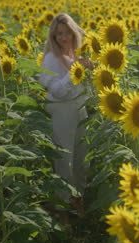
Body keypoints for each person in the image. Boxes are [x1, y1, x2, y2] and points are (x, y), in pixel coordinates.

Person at [39, 13, 93, 217]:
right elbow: (58, 91)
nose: (63, 37)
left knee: (82, 158)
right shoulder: (51, 59)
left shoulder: (71, 55)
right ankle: (62, 209)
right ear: (53, 36)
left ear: (73, 33)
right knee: (64, 160)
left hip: (78, 109)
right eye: (58, 34)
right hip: (62, 111)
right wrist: (76, 71)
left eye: (67, 33)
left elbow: (79, 87)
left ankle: (78, 199)